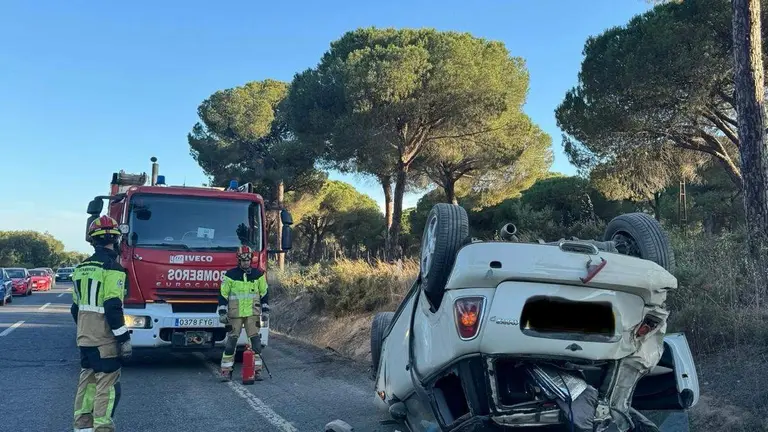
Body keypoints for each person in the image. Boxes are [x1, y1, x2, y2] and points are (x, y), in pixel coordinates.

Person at [71, 215, 132, 432]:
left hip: (85, 337)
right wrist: (123, 338)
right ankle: (102, 428)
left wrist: (84, 329)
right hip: (104, 340)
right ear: (115, 239)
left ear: (92, 241)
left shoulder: (81, 268)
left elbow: (75, 309)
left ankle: (83, 427)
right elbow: (113, 307)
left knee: (87, 384)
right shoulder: (113, 269)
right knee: (107, 387)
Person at [217, 245, 269, 381]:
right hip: (235, 314)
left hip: (252, 313)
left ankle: (257, 371)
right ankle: (226, 371)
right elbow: (223, 294)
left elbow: (264, 293)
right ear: (238, 260)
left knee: (256, 342)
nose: (246, 262)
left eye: (248, 259)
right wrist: (222, 311)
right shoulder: (230, 275)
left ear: (251, 259)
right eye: (243, 260)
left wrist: (266, 311)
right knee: (231, 342)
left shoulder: (258, 275)